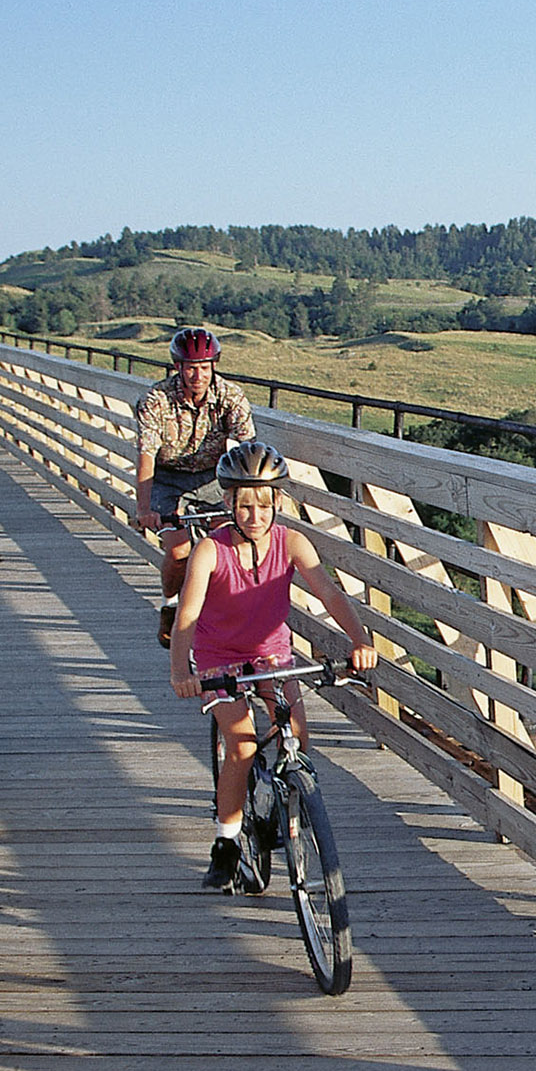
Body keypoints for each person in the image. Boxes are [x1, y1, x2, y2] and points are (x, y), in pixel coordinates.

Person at [169, 441, 377, 891]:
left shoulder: (292, 543)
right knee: (242, 747)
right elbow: (187, 615)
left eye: (264, 505)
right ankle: (226, 842)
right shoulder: (211, 550)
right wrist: (182, 671)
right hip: (218, 659)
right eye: (244, 506)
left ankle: (279, 806)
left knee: (298, 738)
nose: (255, 516)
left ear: (277, 502)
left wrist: (360, 640)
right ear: (228, 504)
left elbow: (330, 595)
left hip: (271, 655)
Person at [135, 326, 254, 646]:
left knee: (227, 542)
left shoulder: (231, 396)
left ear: (214, 365)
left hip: (213, 477)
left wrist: (251, 498)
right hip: (168, 476)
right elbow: (146, 456)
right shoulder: (156, 399)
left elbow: (247, 450)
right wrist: (144, 509)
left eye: (204, 367)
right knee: (178, 550)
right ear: (178, 367)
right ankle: (171, 605)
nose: (197, 375)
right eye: (190, 368)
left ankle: (227, 609)